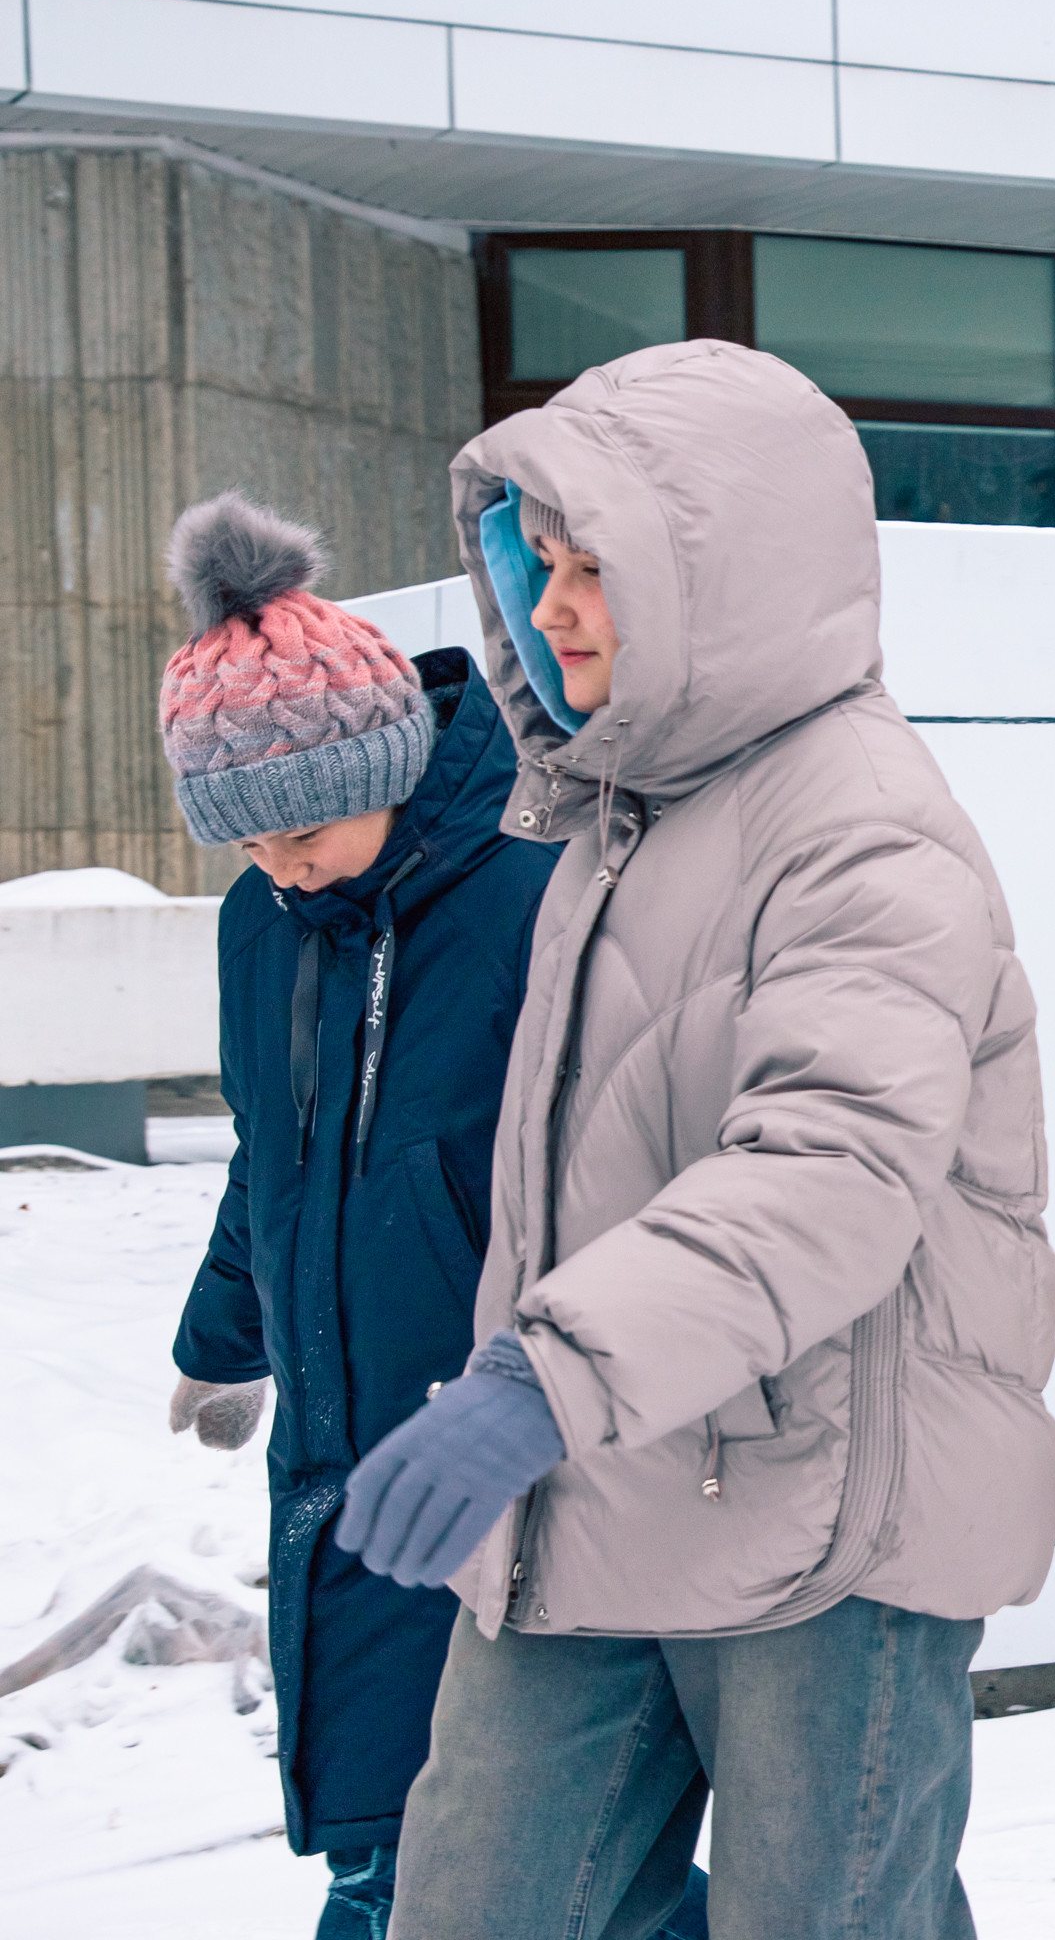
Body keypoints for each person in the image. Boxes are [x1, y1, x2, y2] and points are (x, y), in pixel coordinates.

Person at [336, 339, 1055, 1940]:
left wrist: (540, 1378)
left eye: (598, 567)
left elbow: (827, 1169)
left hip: (826, 1500)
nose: (554, 608)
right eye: (539, 563)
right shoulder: (620, 819)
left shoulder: (861, 825)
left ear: (724, 575)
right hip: (603, 1477)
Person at [156, 491, 563, 1939]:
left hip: (505, 1433)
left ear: (388, 767)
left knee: (491, 1852)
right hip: (339, 1437)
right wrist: (223, 1342)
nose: (280, 866)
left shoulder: (528, 893)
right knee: (397, 1834)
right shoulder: (263, 928)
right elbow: (270, 1157)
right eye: (246, 843)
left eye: (308, 827)